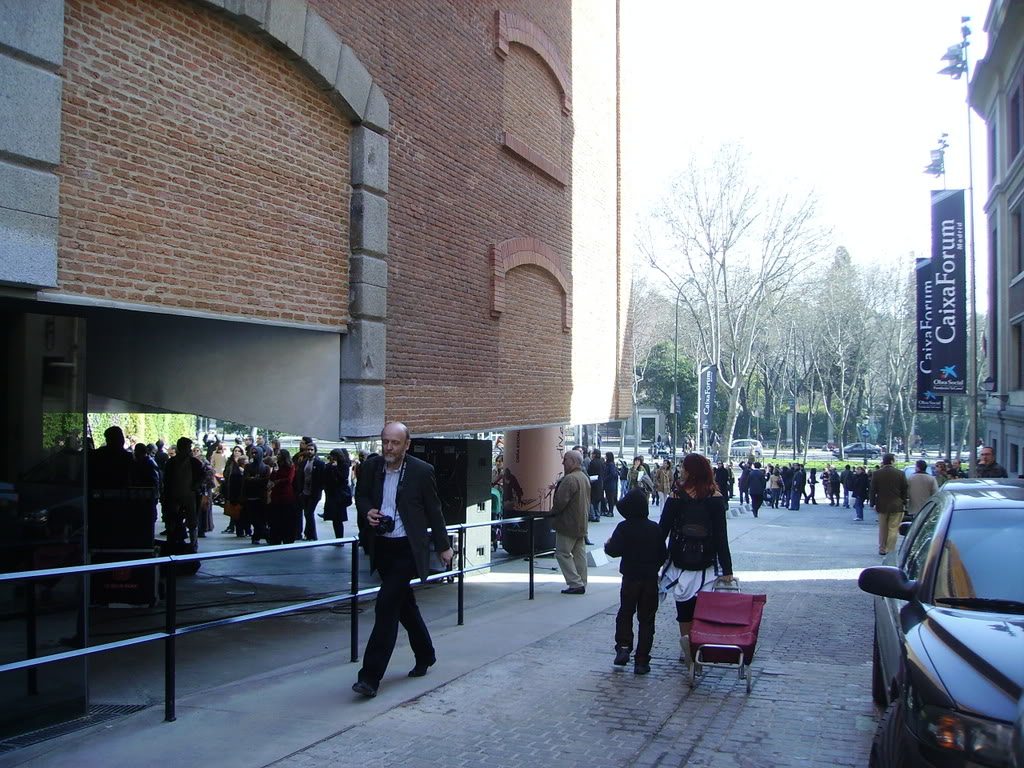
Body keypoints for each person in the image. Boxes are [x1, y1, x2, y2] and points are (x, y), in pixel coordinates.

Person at [352, 422, 453, 698]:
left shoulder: (422, 471)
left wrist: (444, 546)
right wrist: (368, 511)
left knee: (385, 606)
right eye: (385, 441)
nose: (389, 447)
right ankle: (426, 653)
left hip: (408, 549)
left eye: (395, 443)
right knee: (404, 605)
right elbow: (360, 496)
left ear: (407, 445)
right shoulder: (372, 467)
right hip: (382, 546)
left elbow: (434, 511)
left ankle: (370, 678)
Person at [659, 453, 734, 667]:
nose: (681, 470)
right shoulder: (715, 497)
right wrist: (727, 568)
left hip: (679, 559)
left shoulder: (676, 497)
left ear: (691, 471)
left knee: (683, 605)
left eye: (684, 467)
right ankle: (698, 644)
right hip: (706, 561)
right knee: (701, 606)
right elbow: (721, 536)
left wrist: (655, 558)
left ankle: (687, 644)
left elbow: (662, 531)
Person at [603, 489, 667, 675]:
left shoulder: (624, 527)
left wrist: (608, 544)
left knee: (625, 613)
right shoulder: (655, 528)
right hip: (649, 580)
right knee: (647, 620)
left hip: (630, 578)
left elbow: (614, 550)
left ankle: (623, 646)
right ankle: (642, 661)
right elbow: (663, 554)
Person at [548, 450, 591, 594]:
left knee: (562, 553)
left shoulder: (570, 479)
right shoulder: (584, 477)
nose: (563, 463)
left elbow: (560, 502)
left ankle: (575, 583)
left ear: (572, 462)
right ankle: (582, 581)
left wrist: (551, 512)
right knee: (579, 553)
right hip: (581, 522)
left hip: (568, 523)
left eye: (565, 459)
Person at [162, 437, 205, 547]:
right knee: (181, 520)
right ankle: (189, 543)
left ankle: (183, 543)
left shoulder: (172, 463)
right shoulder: (193, 462)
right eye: (188, 447)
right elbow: (202, 476)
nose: (190, 450)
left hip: (182, 494)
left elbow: (166, 480)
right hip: (184, 494)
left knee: (185, 520)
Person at [869, 454, 908, 556]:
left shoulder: (877, 473)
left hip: (881, 505)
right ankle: (890, 550)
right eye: (895, 460)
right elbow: (904, 489)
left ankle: (882, 548)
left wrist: (872, 503)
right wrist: (904, 502)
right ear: (891, 461)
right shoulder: (900, 473)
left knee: (883, 528)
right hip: (897, 505)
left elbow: (873, 490)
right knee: (893, 528)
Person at [295, 441, 326, 541]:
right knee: (307, 513)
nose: (309, 451)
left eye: (311, 450)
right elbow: (300, 477)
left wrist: (320, 489)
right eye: (308, 450)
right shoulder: (303, 463)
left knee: (309, 513)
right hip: (304, 491)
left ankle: (313, 535)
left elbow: (322, 479)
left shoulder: (320, 463)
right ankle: (308, 534)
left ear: (315, 451)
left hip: (314, 492)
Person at [242, 445, 271, 544]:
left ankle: (258, 536)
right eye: (252, 453)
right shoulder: (248, 466)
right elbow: (246, 479)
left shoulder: (265, 468)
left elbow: (265, 480)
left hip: (261, 497)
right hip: (250, 496)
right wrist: (255, 479)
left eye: (256, 453)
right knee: (253, 518)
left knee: (261, 519)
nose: (254, 455)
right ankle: (263, 535)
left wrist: (253, 479)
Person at [267, 449, 296, 544]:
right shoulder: (277, 466)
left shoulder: (290, 466)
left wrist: (278, 481)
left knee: (286, 517)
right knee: (276, 517)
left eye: (279, 454)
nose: (277, 455)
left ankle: (287, 537)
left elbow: (289, 479)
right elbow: (271, 478)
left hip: (286, 494)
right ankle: (276, 538)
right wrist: (274, 470)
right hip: (276, 495)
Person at [323, 448, 353, 539]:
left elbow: (342, 478)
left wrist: (335, 468)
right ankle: (338, 537)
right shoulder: (329, 466)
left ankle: (340, 538)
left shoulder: (344, 465)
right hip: (331, 493)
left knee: (338, 518)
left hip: (340, 494)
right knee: (334, 518)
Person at [587, 449, 605, 522]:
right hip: (600, 483)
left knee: (592, 500)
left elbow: (590, 472)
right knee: (598, 500)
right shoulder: (602, 462)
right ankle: (598, 515)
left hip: (593, 482)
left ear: (594, 454)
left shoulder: (593, 462)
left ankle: (593, 515)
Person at [602, 452, 619, 516]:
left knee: (610, 498)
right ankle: (608, 510)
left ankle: (611, 511)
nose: (605, 457)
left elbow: (612, 474)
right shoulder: (607, 464)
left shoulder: (611, 464)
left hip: (610, 484)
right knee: (608, 497)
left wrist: (605, 478)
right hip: (608, 484)